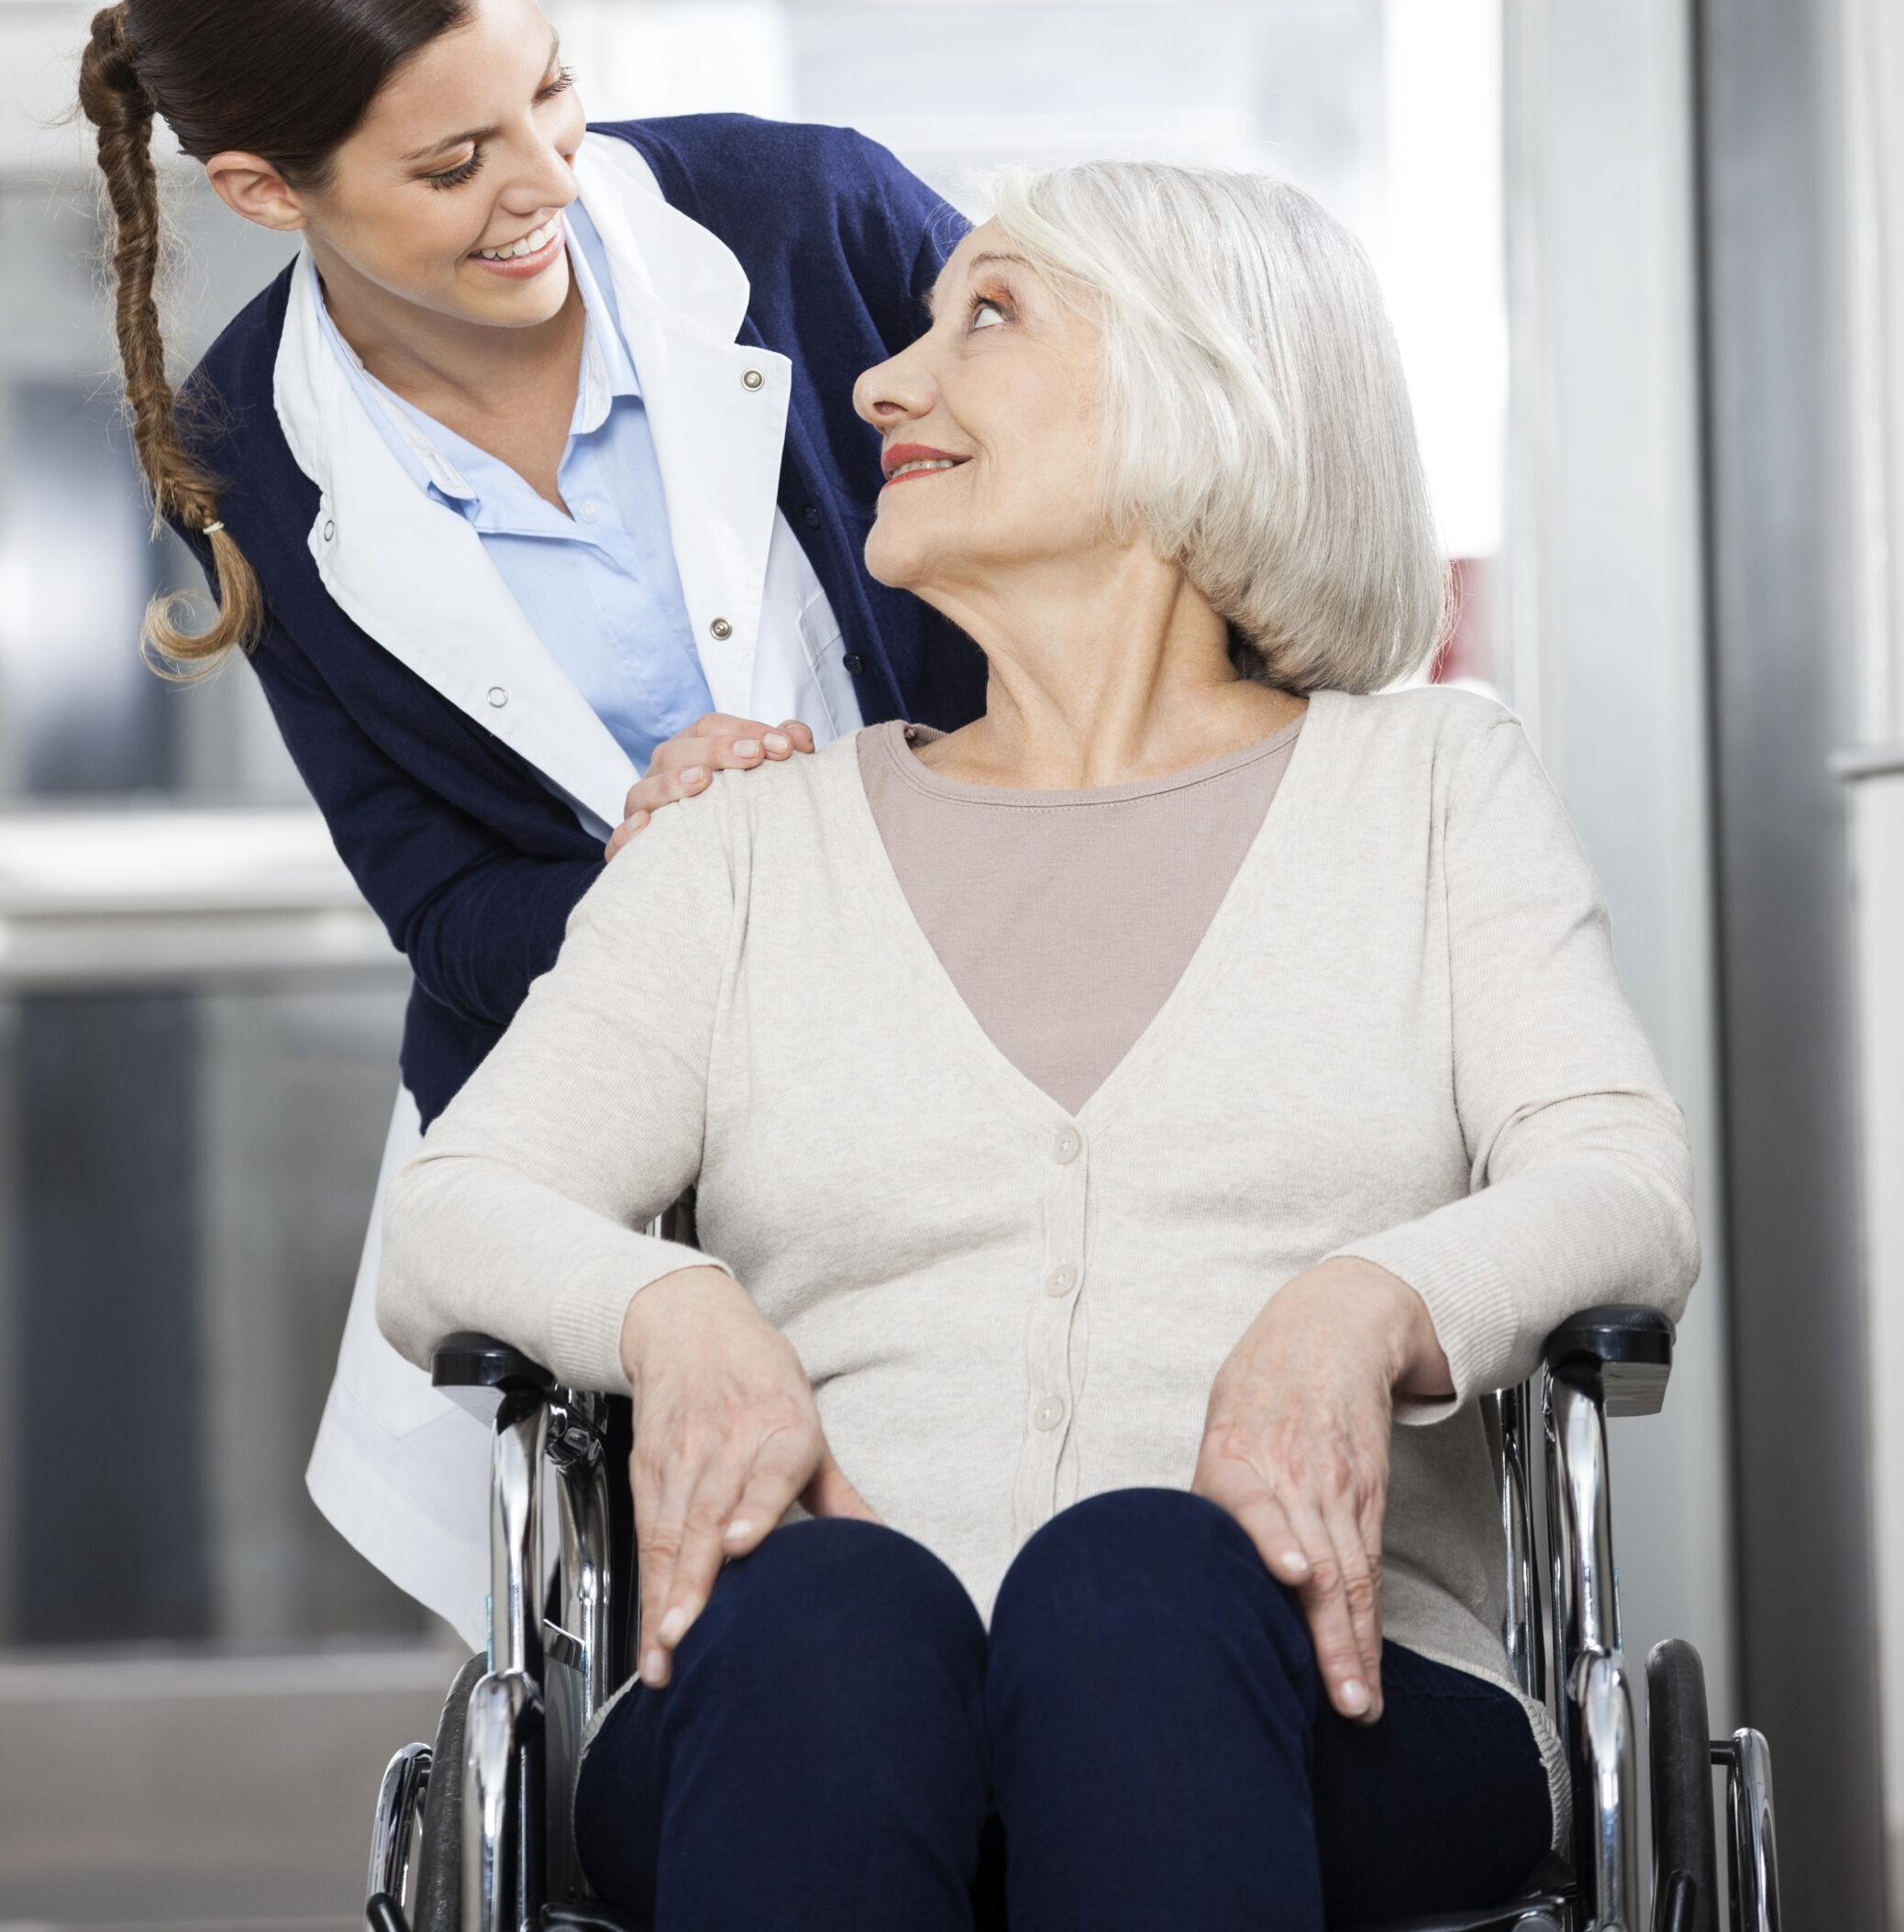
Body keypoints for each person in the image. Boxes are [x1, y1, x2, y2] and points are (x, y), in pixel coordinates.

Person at [379, 161, 1700, 1932]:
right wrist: (672, 1313)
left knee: (1136, 1579)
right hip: (801, 1716)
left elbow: (1620, 1180)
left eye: (985, 317)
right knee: (842, 1607)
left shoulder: (1435, 789)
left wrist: (1368, 1300)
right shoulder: (748, 843)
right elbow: (457, 1207)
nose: (878, 384)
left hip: (1342, 1704)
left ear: (1203, 390)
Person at [75, 0, 983, 1641]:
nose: (545, 184)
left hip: (981, 1035)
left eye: (553, 97)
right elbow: (444, 898)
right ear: (268, 189)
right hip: (629, 1152)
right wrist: (657, 878)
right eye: (453, 161)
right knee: (769, 1661)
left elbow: (1116, 546)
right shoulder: (242, 451)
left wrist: (895, 812)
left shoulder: (810, 219)